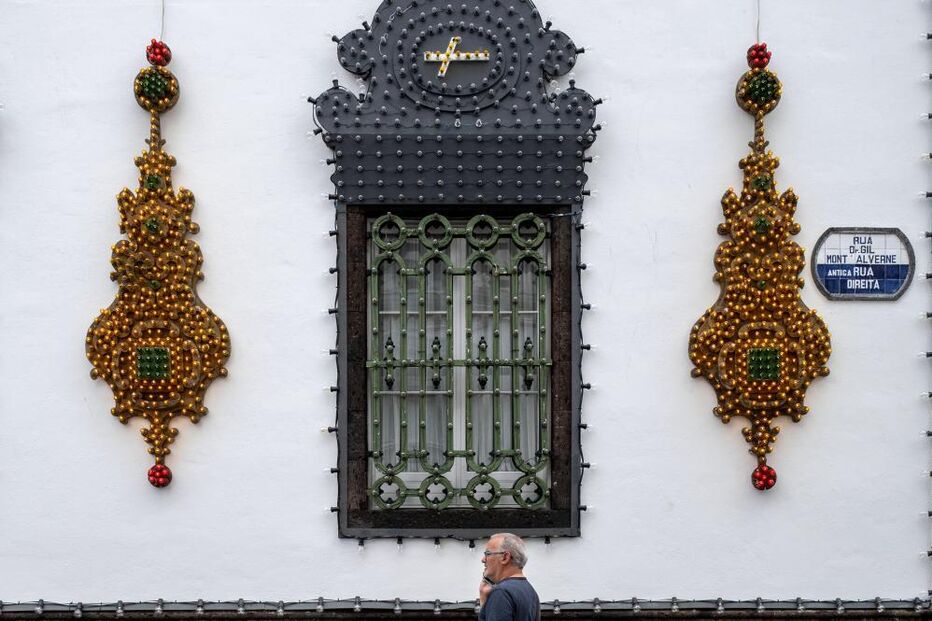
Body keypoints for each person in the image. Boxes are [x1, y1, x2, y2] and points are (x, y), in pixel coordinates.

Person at [477, 533, 540, 621]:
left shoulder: (502, 592)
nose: (483, 560)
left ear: (505, 557)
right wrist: (485, 601)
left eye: (488, 553)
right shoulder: (530, 591)